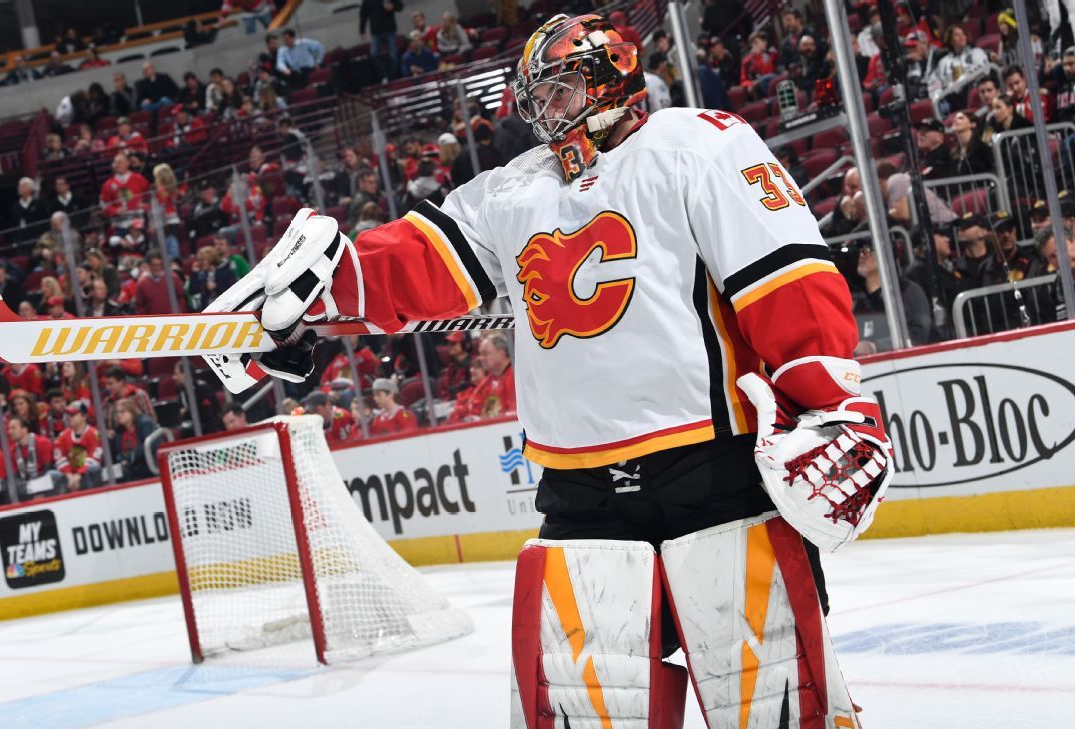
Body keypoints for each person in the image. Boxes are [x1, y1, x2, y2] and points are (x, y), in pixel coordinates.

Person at [205, 15, 889, 729]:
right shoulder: (512, 191)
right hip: (579, 495)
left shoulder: (698, 144)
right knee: (584, 715)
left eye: (560, 89)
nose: (544, 111)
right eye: (536, 96)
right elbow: (414, 265)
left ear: (610, 75)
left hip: (715, 474)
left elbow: (785, 278)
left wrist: (832, 402)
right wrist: (318, 295)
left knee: (776, 706)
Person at [7, 415, 61, 500]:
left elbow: (47, 468)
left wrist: (38, 488)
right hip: (27, 487)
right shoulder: (12, 451)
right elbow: (16, 476)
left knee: (53, 475)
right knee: (12, 485)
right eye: (9, 428)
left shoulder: (43, 443)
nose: (10, 431)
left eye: (13, 428)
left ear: (24, 429)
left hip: (45, 482)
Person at [53, 400, 103, 491]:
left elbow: (94, 459)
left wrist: (79, 475)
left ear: (84, 416)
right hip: (69, 477)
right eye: (68, 415)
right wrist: (69, 476)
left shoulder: (94, 434)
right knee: (53, 475)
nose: (69, 418)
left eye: (73, 415)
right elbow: (59, 459)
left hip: (86, 475)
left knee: (93, 469)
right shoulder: (62, 436)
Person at [360, 0, 404, 83]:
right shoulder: (367, 1)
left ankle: (394, 77)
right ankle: (384, 76)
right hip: (376, 32)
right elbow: (363, 15)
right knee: (374, 54)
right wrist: (362, 30)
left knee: (392, 55)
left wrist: (393, 7)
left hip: (389, 30)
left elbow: (400, 6)